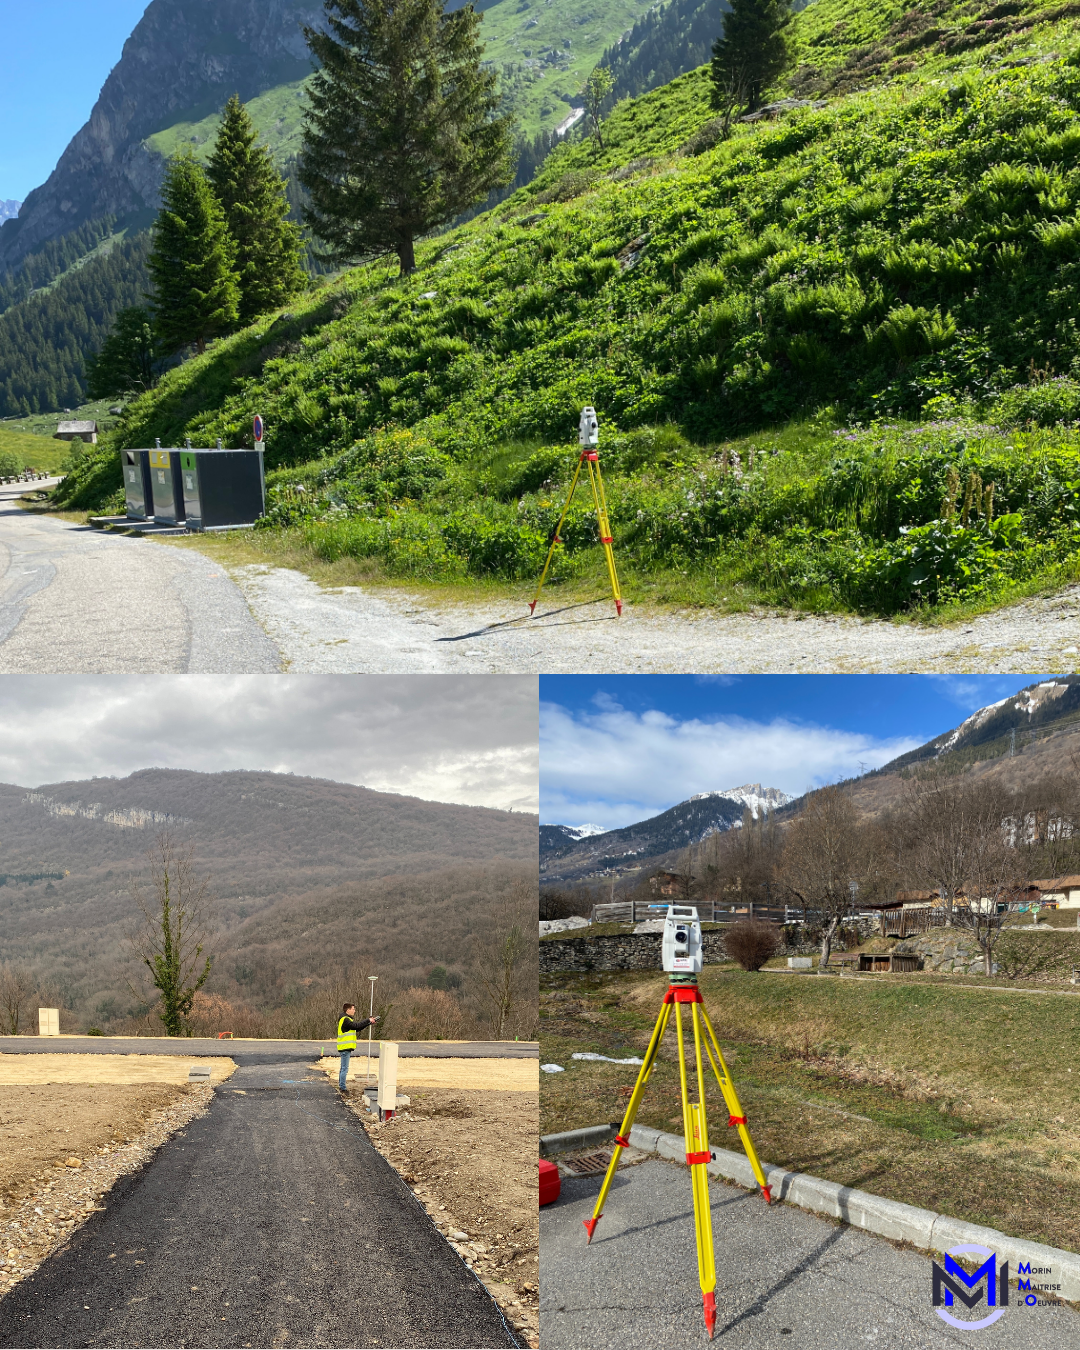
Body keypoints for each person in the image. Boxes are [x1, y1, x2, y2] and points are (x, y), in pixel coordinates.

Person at [337, 1002, 378, 1093]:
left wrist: (368, 1023)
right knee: (344, 1068)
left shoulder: (345, 1019)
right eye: (353, 1009)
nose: (354, 1011)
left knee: (343, 1068)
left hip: (344, 1047)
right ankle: (342, 1088)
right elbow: (356, 1026)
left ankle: (341, 1085)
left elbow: (357, 1028)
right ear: (348, 1010)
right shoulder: (345, 1020)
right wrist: (367, 1020)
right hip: (345, 1047)